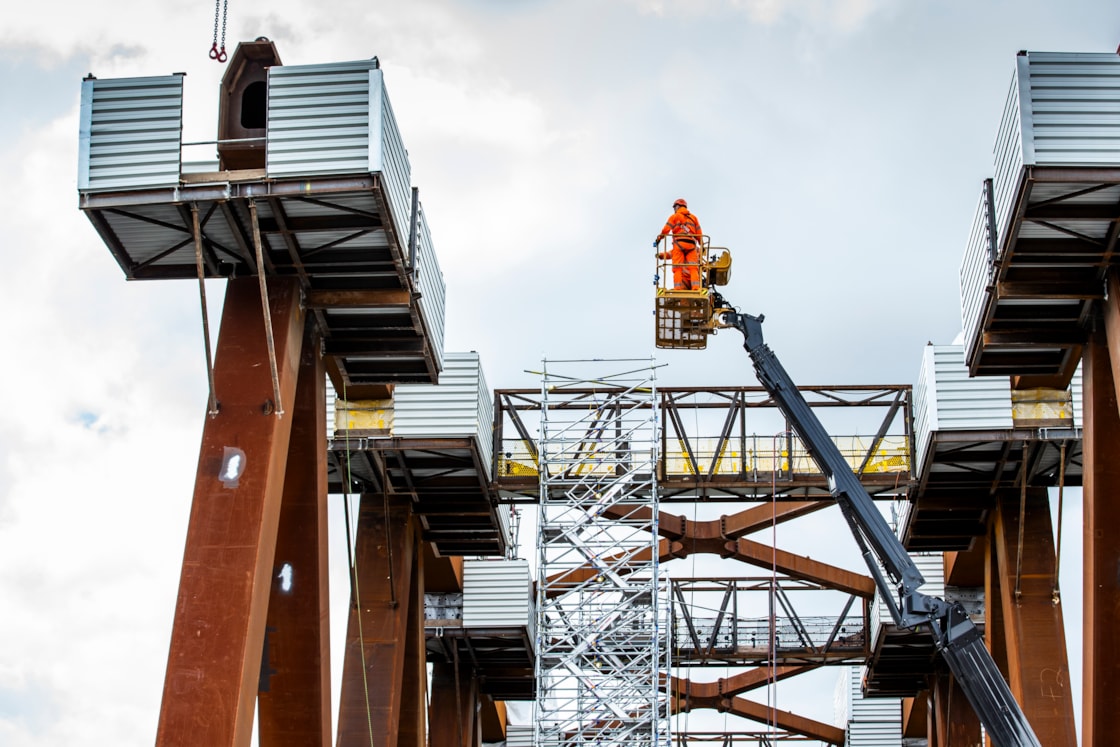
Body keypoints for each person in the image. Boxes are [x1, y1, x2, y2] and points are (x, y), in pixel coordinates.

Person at [654, 198, 703, 290]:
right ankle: (696, 287)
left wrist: (659, 238)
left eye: (674, 207)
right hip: (692, 245)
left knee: (677, 268)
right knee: (694, 268)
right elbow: (699, 234)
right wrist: (701, 244)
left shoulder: (674, 217)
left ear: (677, 206)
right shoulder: (694, 218)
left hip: (679, 244)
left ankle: (678, 289)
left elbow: (666, 230)